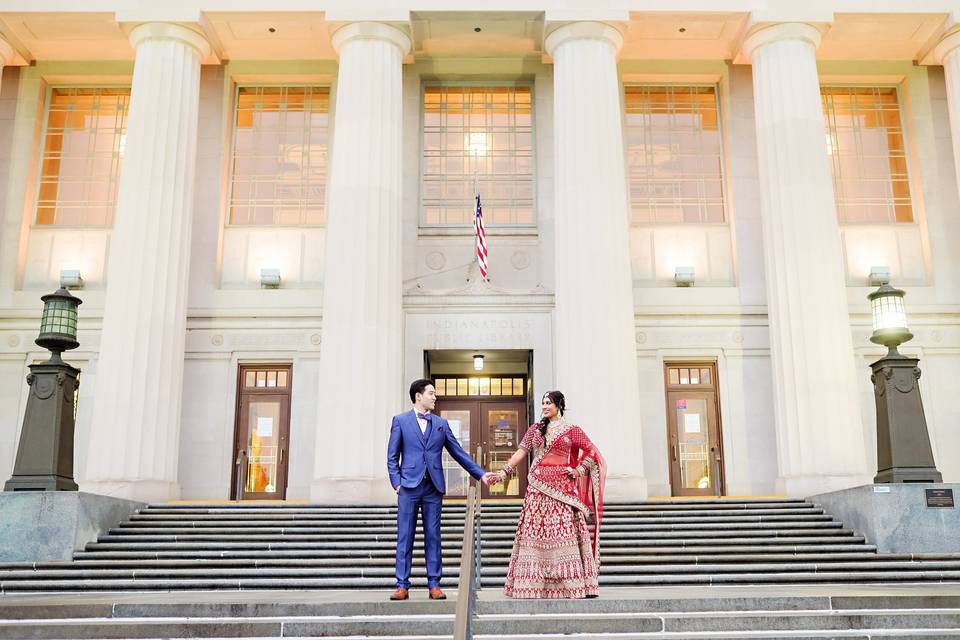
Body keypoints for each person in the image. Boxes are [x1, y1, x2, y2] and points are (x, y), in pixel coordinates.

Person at [387, 379, 499, 601]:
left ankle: (434, 585)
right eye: (431, 393)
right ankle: (402, 585)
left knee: (433, 536)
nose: (434, 397)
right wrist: (397, 483)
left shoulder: (441, 424)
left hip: (433, 488)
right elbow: (392, 456)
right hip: (408, 487)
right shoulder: (400, 421)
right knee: (405, 536)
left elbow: (458, 452)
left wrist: (481, 474)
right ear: (418, 396)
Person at [493, 390, 606, 599]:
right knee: (535, 536)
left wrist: (578, 470)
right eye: (543, 403)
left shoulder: (572, 430)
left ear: (559, 405)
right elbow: (521, 452)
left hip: (562, 491)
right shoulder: (536, 429)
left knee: (562, 536)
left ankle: (568, 584)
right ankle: (533, 584)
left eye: (548, 403)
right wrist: (503, 472)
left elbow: (592, 452)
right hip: (537, 489)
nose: (544, 406)